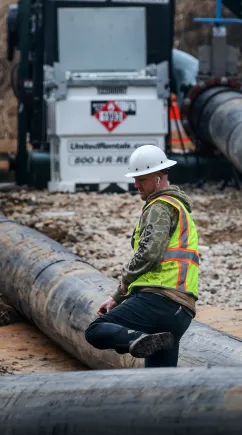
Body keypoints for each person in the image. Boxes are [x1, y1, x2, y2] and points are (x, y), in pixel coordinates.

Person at [84, 145, 199, 366]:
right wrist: (116, 298)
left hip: (159, 300)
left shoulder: (160, 207)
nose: (136, 185)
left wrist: (124, 280)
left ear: (159, 178)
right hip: (181, 311)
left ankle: (138, 338)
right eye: (135, 179)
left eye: (142, 179)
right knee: (159, 379)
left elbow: (149, 253)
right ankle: (146, 342)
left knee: (95, 330)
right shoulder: (179, 207)